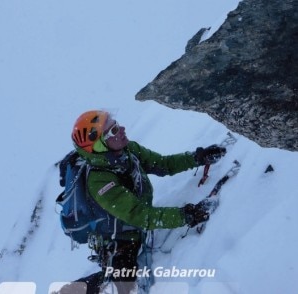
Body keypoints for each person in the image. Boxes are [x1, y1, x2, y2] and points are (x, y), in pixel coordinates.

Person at [59, 110, 226, 294]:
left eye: (116, 124)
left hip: (134, 225)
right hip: (119, 240)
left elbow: (163, 164)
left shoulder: (128, 151)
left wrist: (197, 158)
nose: (121, 129)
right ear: (99, 146)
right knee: (122, 285)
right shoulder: (99, 181)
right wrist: (186, 215)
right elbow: (139, 215)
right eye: (113, 130)